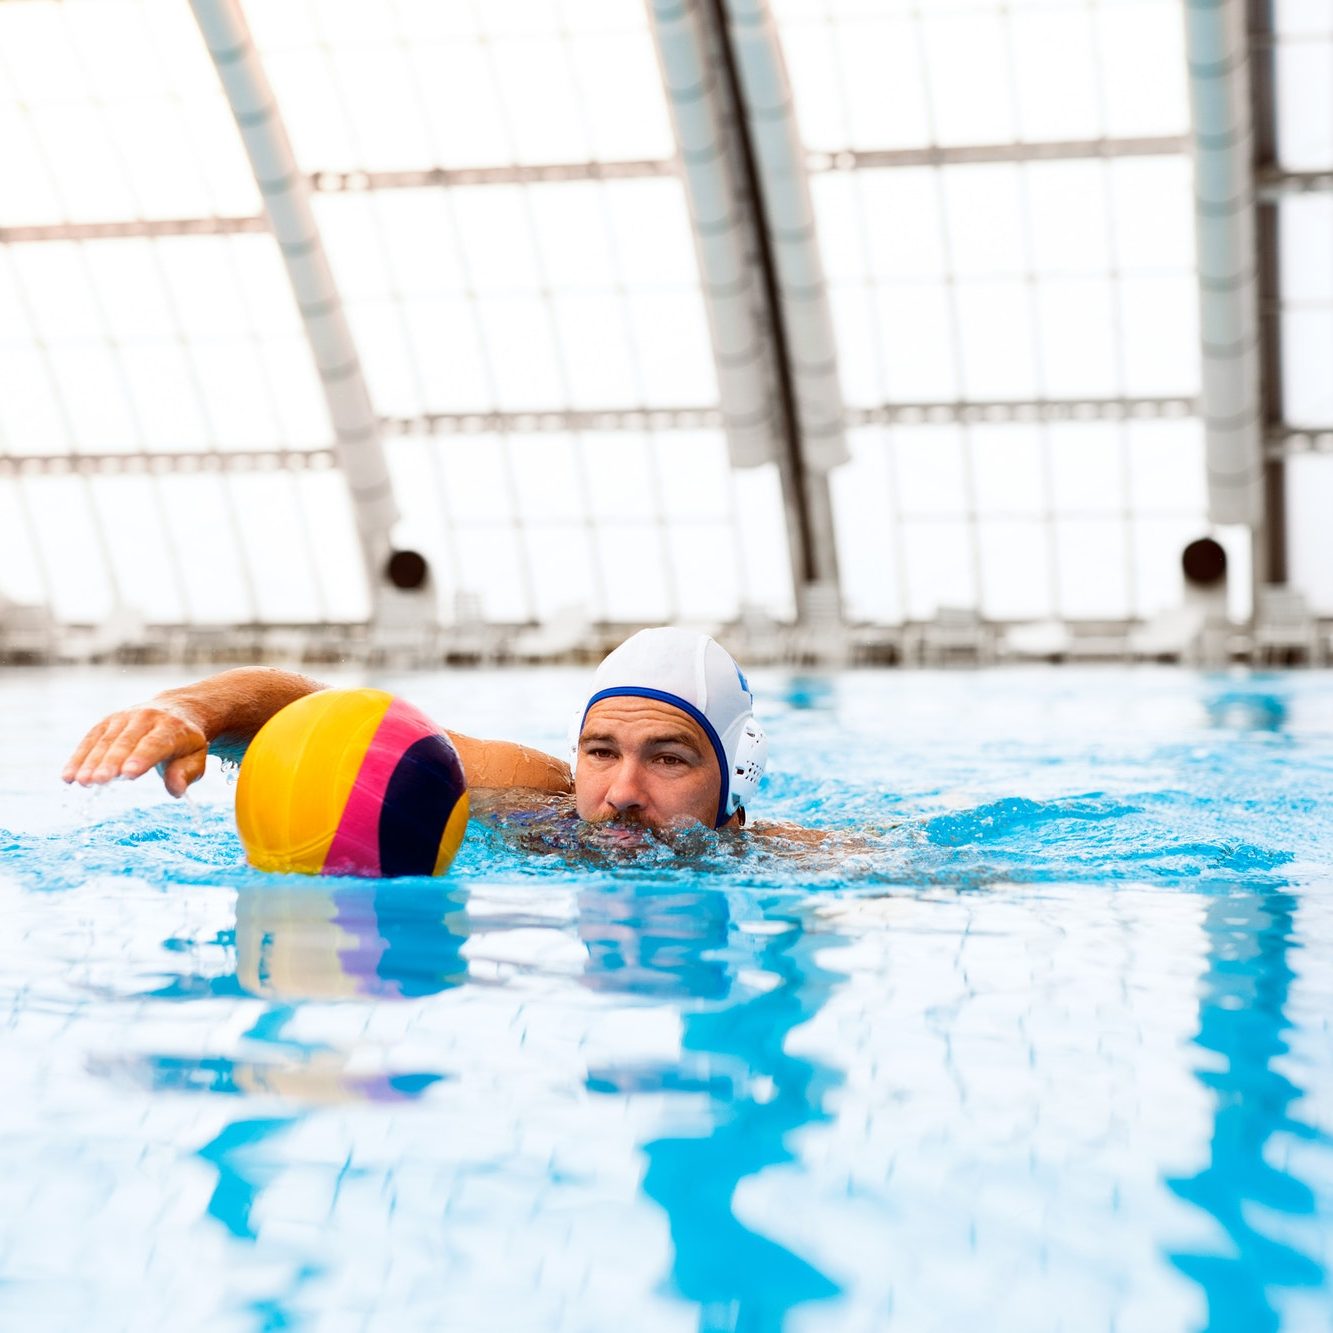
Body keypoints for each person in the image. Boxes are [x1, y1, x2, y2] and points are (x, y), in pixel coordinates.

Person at [61, 627, 815, 851]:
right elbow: (343, 716)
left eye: (668, 757)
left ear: (737, 776)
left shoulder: (795, 866)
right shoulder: (535, 801)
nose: (619, 792)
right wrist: (187, 709)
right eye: (601, 751)